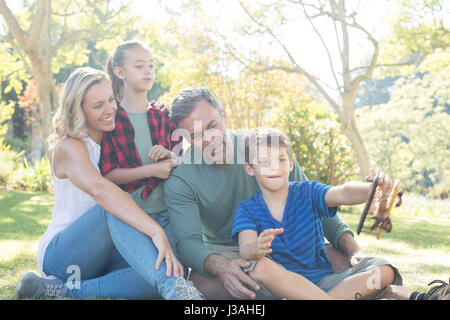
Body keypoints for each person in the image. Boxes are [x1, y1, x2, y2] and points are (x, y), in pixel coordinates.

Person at [15, 67, 203, 300]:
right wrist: (155, 231)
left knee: (164, 268)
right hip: (65, 256)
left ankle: (58, 289)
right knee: (109, 208)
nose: (110, 110)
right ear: (78, 110)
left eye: (111, 100)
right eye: (98, 106)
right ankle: (178, 292)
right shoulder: (70, 146)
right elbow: (102, 191)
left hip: (106, 253)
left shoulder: (113, 140)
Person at [164, 87, 367, 300]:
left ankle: (303, 290)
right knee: (200, 283)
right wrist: (222, 266)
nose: (209, 139)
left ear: (223, 115)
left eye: (212, 126)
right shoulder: (181, 178)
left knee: (346, 262)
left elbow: (317, 202)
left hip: (286, 243)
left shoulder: (266, 149)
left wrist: (353, 249)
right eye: (196, 136)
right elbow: (188, 243)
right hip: (229, 251)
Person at [231, 127, 402, 300]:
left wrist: (372, 189)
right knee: (258, 266)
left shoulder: (308, 192)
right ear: (250, 168)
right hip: (282, 290)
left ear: (291, 164)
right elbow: (246, 249)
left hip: (324, 284)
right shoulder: (247, 209)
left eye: (281, 160)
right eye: (264, 161)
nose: (274, 167)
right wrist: (256, 247)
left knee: (384, 270)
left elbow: (343, 193)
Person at [100, 39, 183, 267]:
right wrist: (151, 170)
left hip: (167, 214)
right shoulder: (110, 118)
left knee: (173, 269)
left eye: (151, 65)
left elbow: (181, 162)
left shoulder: (165, 115)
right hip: (129, 217)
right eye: (139, 66)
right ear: (120, 72)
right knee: (154, 275)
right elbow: (107, 176)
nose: (148, 71)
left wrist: (169, 155)